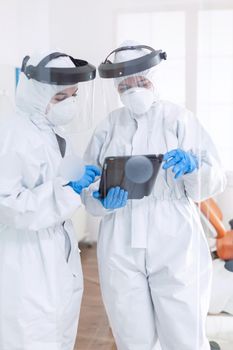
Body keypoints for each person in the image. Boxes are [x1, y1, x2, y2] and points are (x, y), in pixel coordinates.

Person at [81, 40, 226, 350]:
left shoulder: (180, 119)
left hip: (174, 238)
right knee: (132, 337)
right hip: (120, 237)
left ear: (154, 80)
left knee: (184, 336)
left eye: (142, 81)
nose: (134, 89)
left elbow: (212, 182)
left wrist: (192, 169)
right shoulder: (108, 127)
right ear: (117, 88)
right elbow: (88, 187)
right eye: (126, 85)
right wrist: (101, 201)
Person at [0, 51, 100, 350]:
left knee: (58, 333)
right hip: (25, 255)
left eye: (74, 95)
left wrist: (95, 191)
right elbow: (8, 205)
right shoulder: (12, 133)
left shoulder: (53, 134)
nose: (69, 104)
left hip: (58, 252)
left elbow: (67, 187)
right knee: (31, 335)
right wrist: (67, 189)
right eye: (60, 98)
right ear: (37, 94)